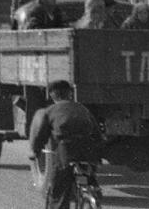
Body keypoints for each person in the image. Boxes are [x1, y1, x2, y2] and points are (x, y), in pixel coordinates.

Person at [29, 80, 101, 209]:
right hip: (88, 149)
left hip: (66, 151)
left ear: (52, 95)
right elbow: (97, 134)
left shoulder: (49, 111)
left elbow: (40, 135)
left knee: (58, 191)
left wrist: (35, 151)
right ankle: (94, 191)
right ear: (70, 94)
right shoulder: (82, 108)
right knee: (88, 175)